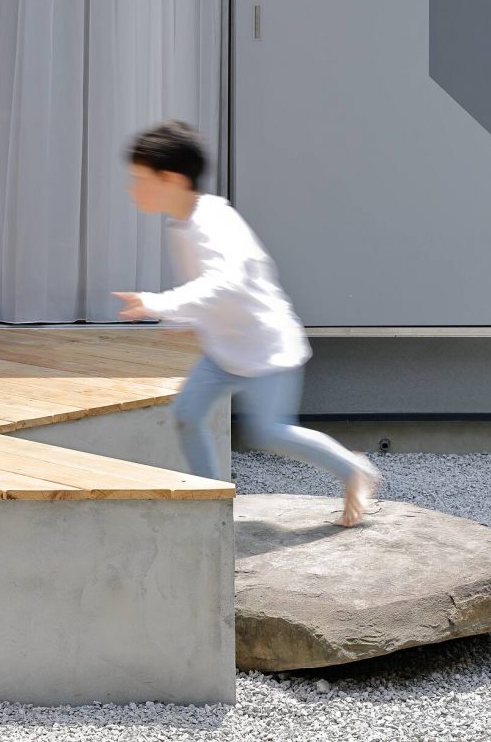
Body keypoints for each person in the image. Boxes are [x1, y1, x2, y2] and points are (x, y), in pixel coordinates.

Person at [113, 119, 379, 527]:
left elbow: (225, 282)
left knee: (271, 432)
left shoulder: (212, 222)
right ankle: (209, 501)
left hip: (267, 350)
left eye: (139, 179)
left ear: (171, 178)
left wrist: (158, 303)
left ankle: (353, 469)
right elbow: (213, 293)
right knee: (187, 412)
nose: (133, 189)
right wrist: (184, 316)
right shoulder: (183, 223)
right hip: (225, 351)